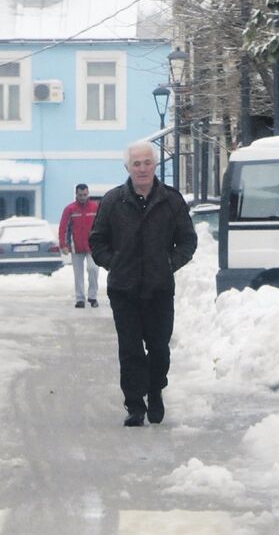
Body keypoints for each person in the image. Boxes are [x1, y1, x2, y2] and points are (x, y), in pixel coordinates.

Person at [89, 140, 197, 427]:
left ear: (155, 165)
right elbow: (97, 241)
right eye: (136, 163)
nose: (142, 168)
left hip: (159, 288)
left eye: (147, 162)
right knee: (131, 348)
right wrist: (114, 262)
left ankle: (156, 390)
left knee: (159, 347)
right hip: (123, 289)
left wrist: (169, 263)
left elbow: (188, 240)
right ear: (127, 167)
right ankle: (135, 405)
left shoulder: (171, 200)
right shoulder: (113, 201)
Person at [58, 184, 99, 308]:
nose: (82, 197)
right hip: (75, 246)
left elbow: (102, 225)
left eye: (85, 195)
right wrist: (63, 244)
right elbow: (63, 228)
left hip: (92, 246)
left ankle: (93, 297)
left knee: (93, 269)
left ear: (88, 194)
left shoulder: (95, 207)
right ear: (76, 194)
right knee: (78, 274)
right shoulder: (69, 209)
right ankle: (80, 299)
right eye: (80, 195)